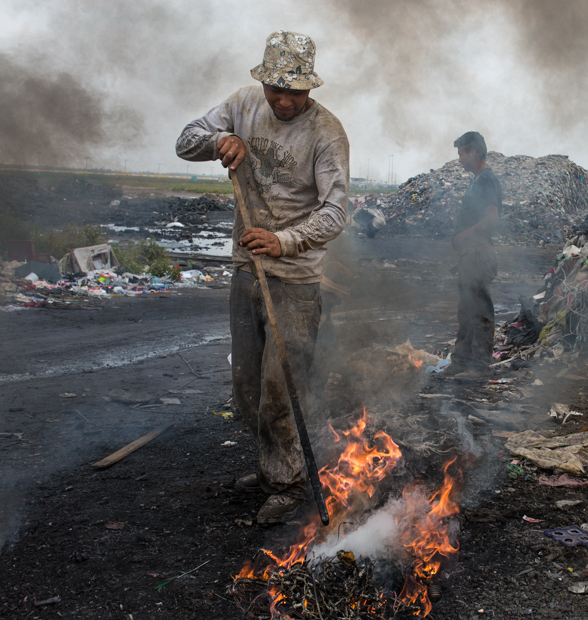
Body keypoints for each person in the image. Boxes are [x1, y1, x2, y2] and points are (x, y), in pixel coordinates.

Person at [176, 31, 349, 525]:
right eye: (277, 89)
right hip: (246, 270)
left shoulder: (326, 132)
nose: (284, 100)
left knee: (281, 388)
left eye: (295, 92)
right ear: (265, 81)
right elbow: (185, 140)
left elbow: (336, 213)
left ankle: (289, 483)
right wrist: (218, 141)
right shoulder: (244, 104)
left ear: (310, 89)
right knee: (246, 386)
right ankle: (271, 464)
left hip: (294, 280)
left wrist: (284, 241)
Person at [449, 132, 502, 379]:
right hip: (470, 256)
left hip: (478, 254)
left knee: (479, 311)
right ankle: (460, 363)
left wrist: (464, 235)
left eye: (461, 154)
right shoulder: (476, 180)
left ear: (473, 153)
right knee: (466, 311)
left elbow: (492, 218)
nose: (459, 159)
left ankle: (479, 367)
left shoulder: (486, 180)